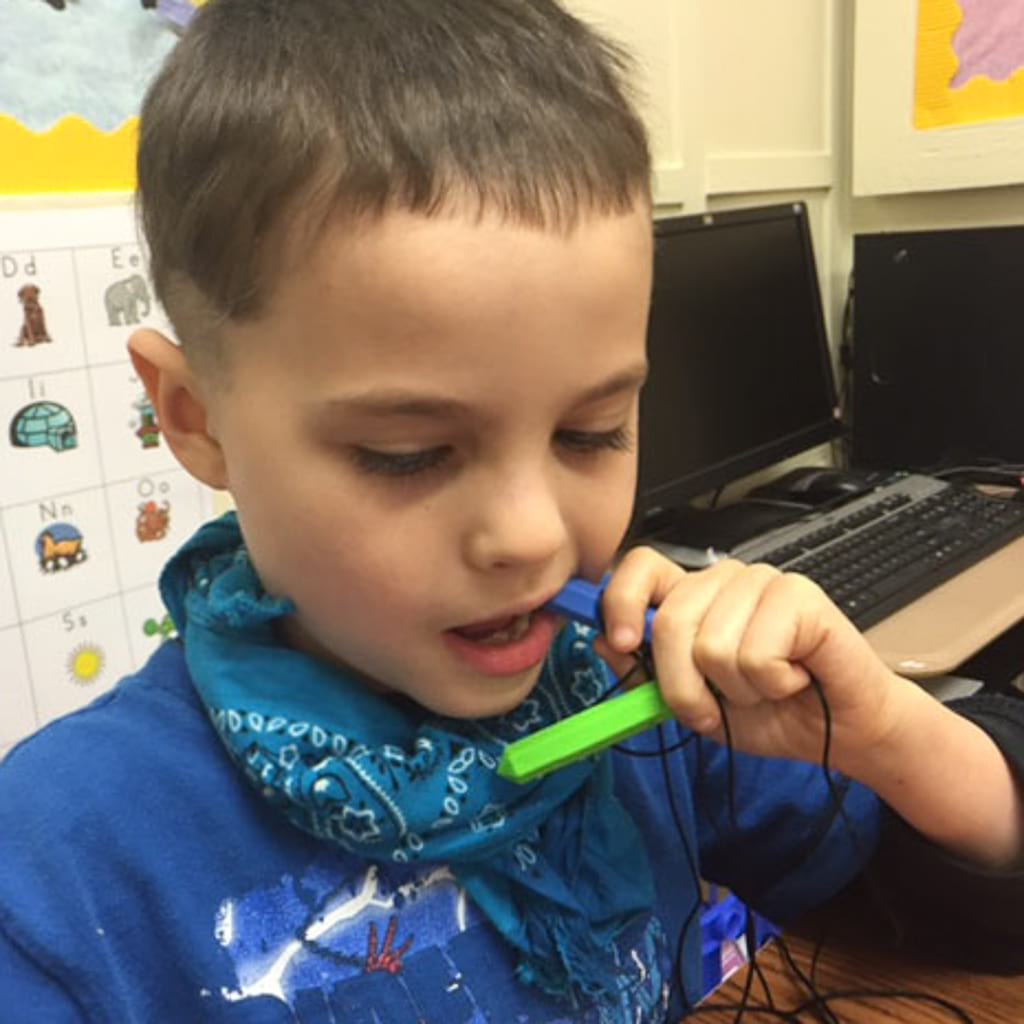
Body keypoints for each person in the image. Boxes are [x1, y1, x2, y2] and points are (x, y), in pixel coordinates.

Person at [2, 1, 1023, 1020]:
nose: (535, 537)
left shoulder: (627, 691)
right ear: (194, 417)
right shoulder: (58, 874)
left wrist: (882, 729)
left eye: (592, 431)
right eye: (407, 454)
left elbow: (979, 904)